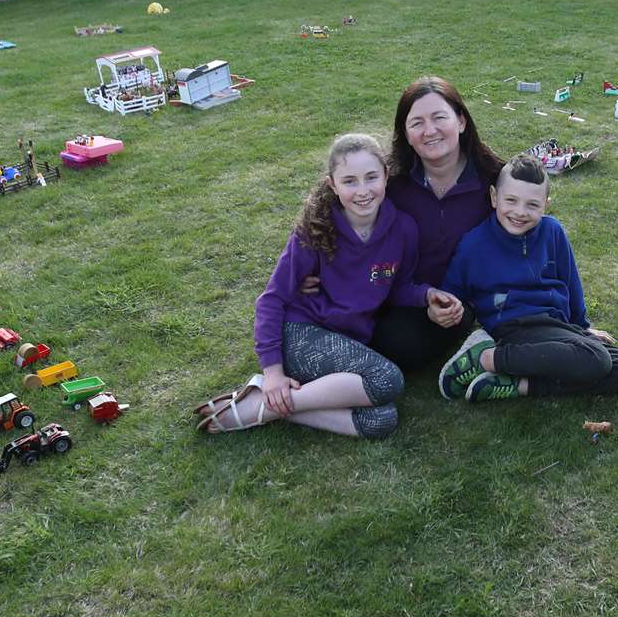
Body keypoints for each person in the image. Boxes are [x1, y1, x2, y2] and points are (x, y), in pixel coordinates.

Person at [194, 133, 457, 437]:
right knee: (387, 379)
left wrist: (427, 294)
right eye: (349, 181)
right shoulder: (316, 230)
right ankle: (270, 395)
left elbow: (398, 288)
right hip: (300, 334)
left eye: (371, 177)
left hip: (347, 341)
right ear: (333, 184)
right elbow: (271, 300)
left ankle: (268, 406)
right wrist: (273, 372)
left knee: (382, 419)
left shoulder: (404, 229)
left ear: (386, 176)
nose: (362, 191)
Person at [435, 154, 618, 403]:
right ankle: (487, 358)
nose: (520, 212)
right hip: (514, 328)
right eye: (511, 200)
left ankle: (517, 385)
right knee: (596, 359)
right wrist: (443, 307)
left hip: (556, 327)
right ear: (493, 197)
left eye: (532, 205)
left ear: (546, 204)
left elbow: (570, 282)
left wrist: (582, 327)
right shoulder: (474, 245)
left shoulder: (552, 231)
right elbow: (451, 291)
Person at [372, 75, 505, 370]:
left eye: (439, 118)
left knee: (402, 346)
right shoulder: (390, 179)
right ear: (405, 133)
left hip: (454, 301)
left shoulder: (495, 179)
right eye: (416, 122)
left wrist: (572, 319)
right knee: (349, 321)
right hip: (390, 288)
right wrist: (313, 265)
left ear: (461, 121)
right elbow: (334, 200)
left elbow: (534, 237)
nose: (429, 131)